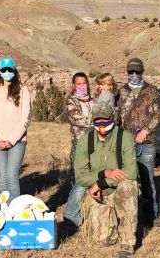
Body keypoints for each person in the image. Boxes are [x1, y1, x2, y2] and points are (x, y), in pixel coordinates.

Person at [74, 101, 138, 258]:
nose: (102, 125)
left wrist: (101, 182)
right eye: (97, 121)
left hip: (118, 188)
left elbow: (131, 172)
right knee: (104, 240)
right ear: (93, 121)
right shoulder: (85, 140)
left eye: (106, 120)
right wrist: (103, 174)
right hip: (98, 192)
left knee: (127, 187)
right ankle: (114, 223)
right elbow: (80, 176)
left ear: (113, 118)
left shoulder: (125, 137)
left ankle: (127, 241)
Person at [118, 57, 160, 227]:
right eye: (131, 71)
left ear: (142, 71)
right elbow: (116, 118)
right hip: (125, 144)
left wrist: (146, 130)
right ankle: (129, 214)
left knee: (147, 179)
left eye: (137, 71)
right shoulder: (121, 92)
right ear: (127, 72)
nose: (134, 74)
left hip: (146, 143)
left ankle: (151, 214)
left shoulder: (152, 91)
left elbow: (159, 113)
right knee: (128, 179)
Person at [0, 57, 31, 203]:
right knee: (2, 179)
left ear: (14, 71)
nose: (7, 72)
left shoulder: (23, 91)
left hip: (17, 142)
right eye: (4, 70)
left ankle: (15, 213)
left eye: (9, 70)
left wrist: (11, 140)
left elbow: (26, 118)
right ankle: (5, 211)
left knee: (12, 176)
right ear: (0, 72)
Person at [63, 72, 94, 228]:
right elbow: (77, 119)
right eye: (79, 84)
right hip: (81, 145)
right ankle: (70, 212)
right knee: (82, 180)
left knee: (91, 179)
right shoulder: (70, 101)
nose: (82, 86)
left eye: (84, 83)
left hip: (96, 145)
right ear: (74, 86)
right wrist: (99, 122)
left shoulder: (93, 99)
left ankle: (85, 211)